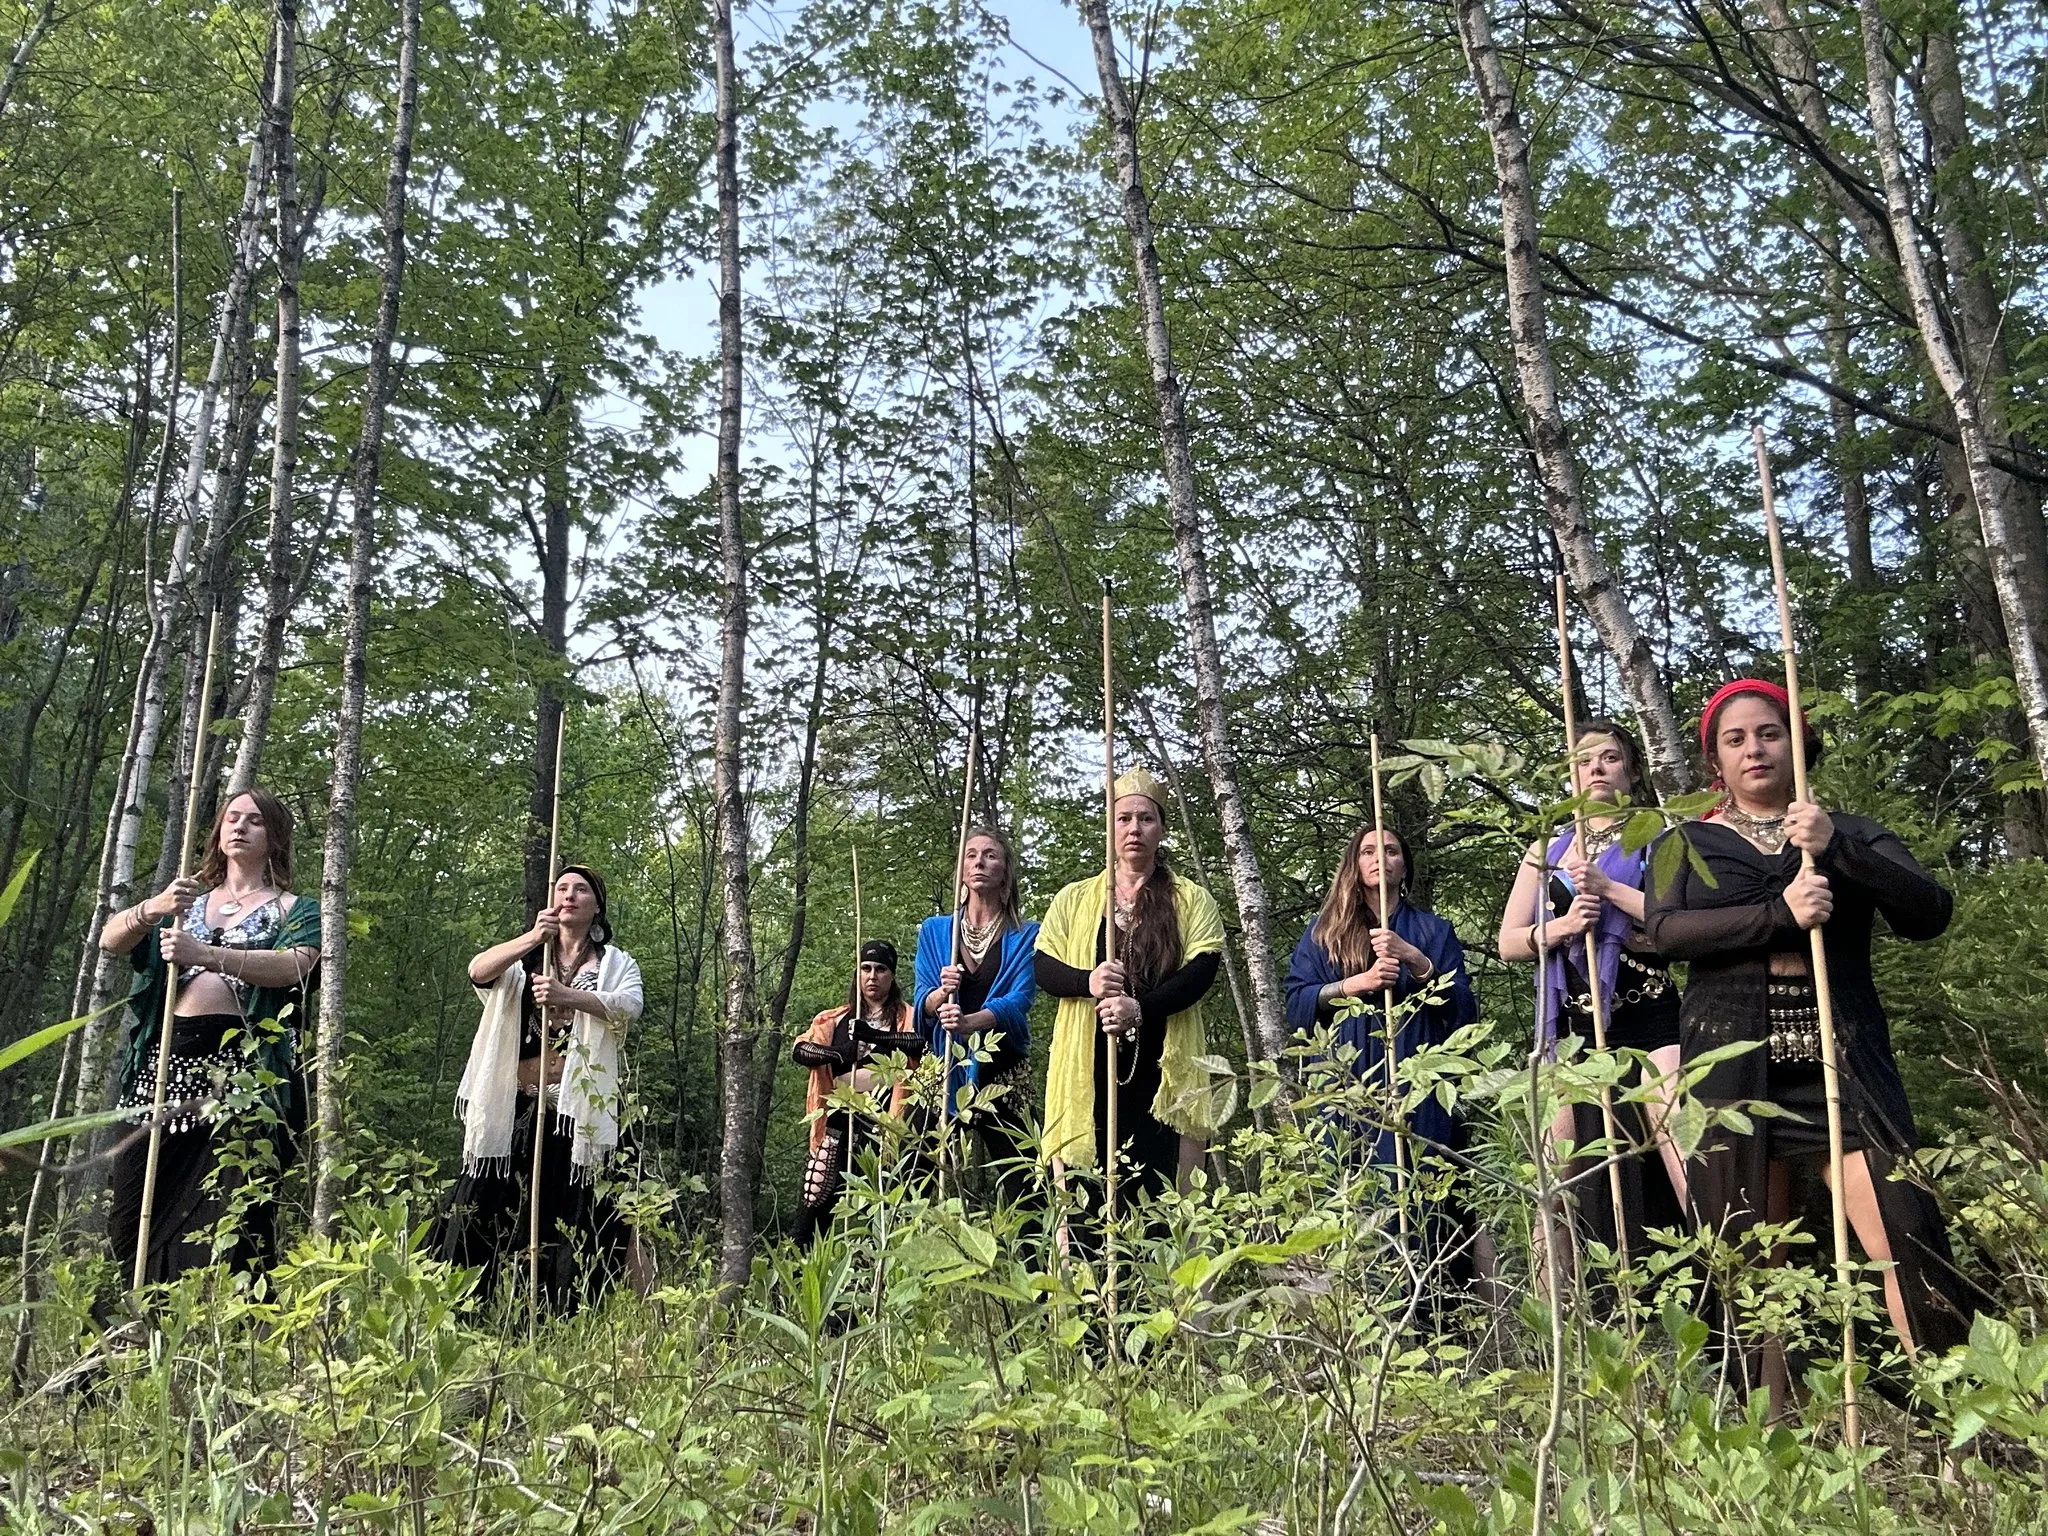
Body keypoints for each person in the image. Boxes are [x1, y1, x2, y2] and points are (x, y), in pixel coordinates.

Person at [1644, 679, 1980, 1394]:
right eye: (1735, 740)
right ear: (1716, 759)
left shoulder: (1849, 831)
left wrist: (1838, 853)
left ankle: (1962, 1436)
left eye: (1768, 732)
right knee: (1746, 1258)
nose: (1754, 749)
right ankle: (1772, 1427)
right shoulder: (1688, 841)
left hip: (1844, 1057)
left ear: (1797, 743)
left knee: (1907, 1235)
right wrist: (1780, 913)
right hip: (1732, 1067)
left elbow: (1929, 913)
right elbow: (1663, 933)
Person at [103, 787, 320, 1285]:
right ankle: (127, 1323)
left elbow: (296, 966)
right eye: (231, 818)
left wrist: (207, 955)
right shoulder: (185, 904)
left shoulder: (294, 910)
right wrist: (153, 907)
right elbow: (110, 940)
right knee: (134, 1198)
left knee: (233, 1203)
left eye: (255, 821)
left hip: (243, 1068)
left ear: (275, 837)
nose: (239, 827)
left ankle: (221, 1329)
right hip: (165, 1065)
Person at [1498, 720, 1686, 1275]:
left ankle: (1723, 1283)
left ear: (1631, 768)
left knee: (1681, 1143)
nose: (1597, 769)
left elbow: (1680, 927)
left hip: (1649, 1010)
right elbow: (1510, 941)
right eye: (1585, 761)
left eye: (1609, 757)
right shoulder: (1546, 849)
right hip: (1571, 1022)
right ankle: (1553, 1312)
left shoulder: (1660, 835)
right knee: (1554, 1171)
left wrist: (1611, 897)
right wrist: (1561, 928)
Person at [440, 865, 643, 1311]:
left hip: (581, 1110)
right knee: (482, 1200)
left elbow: (627, 1008)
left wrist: (569, 997)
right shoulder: (526, 962)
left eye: (581, 889)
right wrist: (534, 938)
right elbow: (479, 970)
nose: (570, 894)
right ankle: (467, 1307)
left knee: (577, 1210)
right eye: (562, 887)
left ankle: (565, 1314)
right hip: (516, 1107)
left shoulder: (614, 964)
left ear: (597, 905)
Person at [1036, 769, 1225, 1231]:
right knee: (1086, 1196)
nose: (1133, 829)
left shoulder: (1189, 899)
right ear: (1110, 827)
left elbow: (1202, 969)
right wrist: (1090, 981)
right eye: (1123, 819)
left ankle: (1160, 1297)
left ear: (1161, 829)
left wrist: (1140, 1008)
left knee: (1160, 1197)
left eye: (1145, 818)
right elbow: (1043, 967)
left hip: (1162, 1062)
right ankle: (1090, 1298)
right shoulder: (1076, 898)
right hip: (1089, 1063)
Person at [1285, 821, 1477, 1207]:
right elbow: (1297, 1001)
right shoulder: (1326, 933)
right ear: (1355, 865)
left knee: (1423, 1186)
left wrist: (1416, 960)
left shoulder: (1433, 931)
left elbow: (1464, 1010)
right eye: (1368, 851)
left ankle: (1429, 1266)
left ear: (1404, 866)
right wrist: (1356, 984)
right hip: (1348, 1075)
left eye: (1391, 851)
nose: (1380, 859)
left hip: (1416, 1074)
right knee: (1353, 1190)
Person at [914, 827, 1039, 1207]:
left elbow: (1020, 1000)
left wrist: (971, 1022)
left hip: (1003, 1068)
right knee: (915, 1164)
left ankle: (1036, 1261)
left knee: (1025, 1174)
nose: (980, 862)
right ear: (961, 870)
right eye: (971, 855)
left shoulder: (1026, 934)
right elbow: (921, 1002)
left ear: (1005, 871)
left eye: (990, 855)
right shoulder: (936, 932)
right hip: (944, 1064)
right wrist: (939, 993)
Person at [790, 939, 924, 1245]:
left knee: (884, 1211)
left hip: (887, 1127)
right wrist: (837, 1055)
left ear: (892, 975)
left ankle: (873, 1280)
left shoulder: (907, 1017)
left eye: (880, 969)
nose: (872, 976)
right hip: (838, 1125)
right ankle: (801, 1278)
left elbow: (922, 1044)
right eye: (865, 968)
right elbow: (801, 1049)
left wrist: (876, 1037)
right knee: (815, 1200)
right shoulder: (835, 1019)